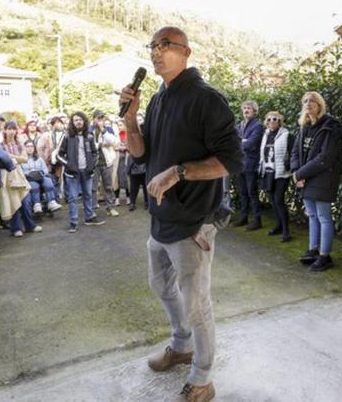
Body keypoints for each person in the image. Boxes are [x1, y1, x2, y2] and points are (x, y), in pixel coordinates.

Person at [120, 26, 242, 402]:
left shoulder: (207, 99)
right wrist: (130, 119)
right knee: (161, 286)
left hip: (194, 222)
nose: (156, 52)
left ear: (186, 52)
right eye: (153, 46)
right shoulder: (158, 98)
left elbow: (231, 161)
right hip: (162, 218)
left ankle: (203, 377)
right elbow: (142, 153)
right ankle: (181, 345)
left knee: (196, 303)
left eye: (165, 45)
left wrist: (180, 171)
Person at [290, 92, 342, 272]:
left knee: (324, 217)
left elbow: (325, 158)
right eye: (305, 101)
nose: (308, 104)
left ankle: (325, 256)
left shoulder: (330, 127)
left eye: (312, 101)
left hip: (323, 178)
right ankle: (313, 250)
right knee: (312, 215)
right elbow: (295, 152)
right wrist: (297, 172)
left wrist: (300, 173)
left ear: (320, 105)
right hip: (306, 178)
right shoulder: (304, 126)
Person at [57, 112, 104, 233]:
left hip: (87, 172)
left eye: (80, 120)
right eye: (76, 120)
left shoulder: (89, 135)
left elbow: (95, 153)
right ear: (72, 122)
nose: (78, 122)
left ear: (84, 121)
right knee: (72, 198)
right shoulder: (67, 136)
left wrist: (92, 166)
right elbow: (59, 154)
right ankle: (73, 222)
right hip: (72, 174)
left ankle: (89, 218)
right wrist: (69, 165)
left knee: (88, 194)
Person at [1, 121, 41, 236]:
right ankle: (16, 228)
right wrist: (16, 158)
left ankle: (30, 225)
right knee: (14, 202)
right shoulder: (1, 144)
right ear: (5, 130)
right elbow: (3, 158)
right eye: (9, 129)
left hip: (20, 174)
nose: (11, 131)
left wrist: (10, 156)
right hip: (8, 175)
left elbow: (25, 159)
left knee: (25, 200)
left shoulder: (19, 144)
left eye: (13, 129)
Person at [259, 111, 293, 242]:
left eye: (274, 119)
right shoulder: (266, 135)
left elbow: (293, 153)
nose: (271, 121)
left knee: (279, 200)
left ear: (279, 122)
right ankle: (278, 226)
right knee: (273, 200)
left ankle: (286, 231)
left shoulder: (286, 135)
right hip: (268, 172)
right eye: (268, 120)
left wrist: (288, 165)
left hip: (281, 173)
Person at [233, 100, 264, 231]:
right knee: (243, 192)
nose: (246, 110)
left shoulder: (258, 126)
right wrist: (242, 143)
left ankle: (257, 220)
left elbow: (251, 144)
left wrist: (243, 143)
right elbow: (233, 143)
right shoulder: (239, 125)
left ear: (255, 111)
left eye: (249, 108)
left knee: (252, 192)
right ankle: (243, 217)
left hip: (251, 163)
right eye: (245, 108)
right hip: (240, 163)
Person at [91, 110, 120, 217]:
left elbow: (115, 142)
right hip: (94, 164)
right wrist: (100, 144)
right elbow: (89, 145)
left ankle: (110, 207)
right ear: (93, 119)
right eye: (98, 118)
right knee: (93, 188)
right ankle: (92, 209)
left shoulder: (108, 129)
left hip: (107, 162)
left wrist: (103, 130)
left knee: (108, 186)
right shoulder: (89, 130)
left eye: (102, 118)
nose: (100, 120)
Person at [22, 139, 62, 213]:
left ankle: (51, 202)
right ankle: (36, 204)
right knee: (34, 185)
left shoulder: (39, 159)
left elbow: (45, 170)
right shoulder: (22, 160)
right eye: (28, 146)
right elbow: (21, 172)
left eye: (31, 146)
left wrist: (39, 173)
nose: (30, 148)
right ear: (24, 148)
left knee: (48, 181)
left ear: (34, 148)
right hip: (30, 178)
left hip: (40, 176)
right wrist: (30, 173)